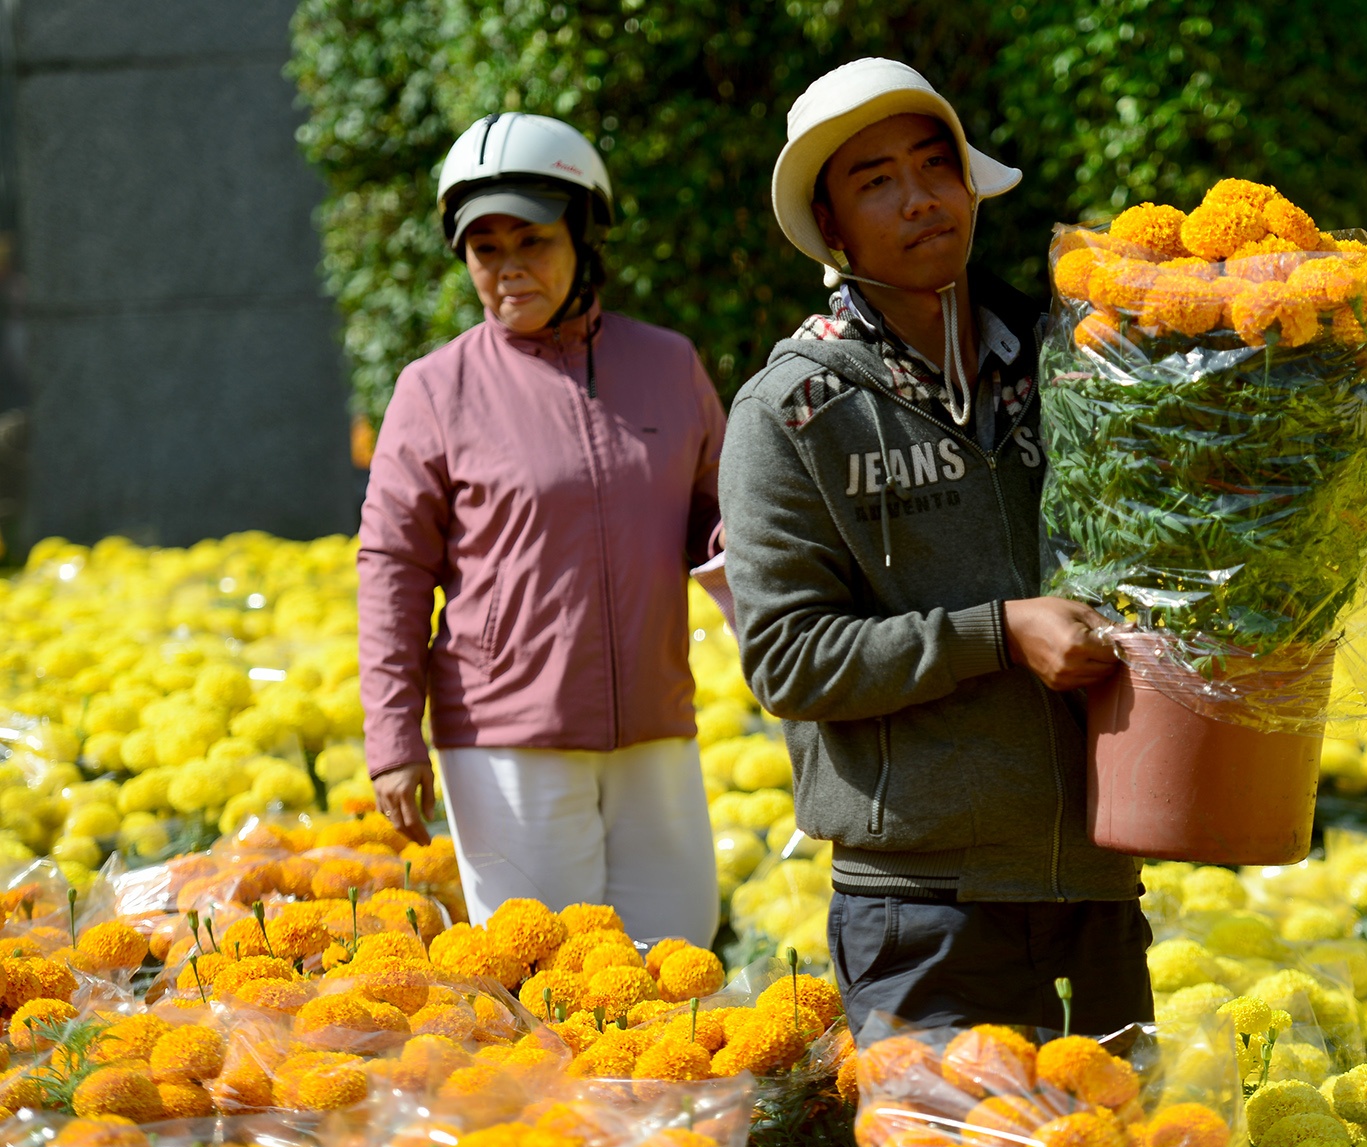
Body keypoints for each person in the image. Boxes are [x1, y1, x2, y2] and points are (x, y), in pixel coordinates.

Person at [719, 59, 1152, 1038]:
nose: (920, 200)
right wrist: (994, 634)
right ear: (831, 228)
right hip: (921, 905)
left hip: (1096, 881)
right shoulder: (792, 413)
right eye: (876, 182)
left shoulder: (1068, 368)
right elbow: (787, 659)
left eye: (934, 167)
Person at [357, 112, 726, 944]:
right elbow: (392, 567)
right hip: (504, 742)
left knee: (681, 959)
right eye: (486, 250)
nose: (508, 269)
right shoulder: (433, 389)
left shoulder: (670, 365)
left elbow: (725, 522)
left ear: (585, 237)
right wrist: (393, 739)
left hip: (656, 726)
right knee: (552, 991)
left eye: (532, 241)